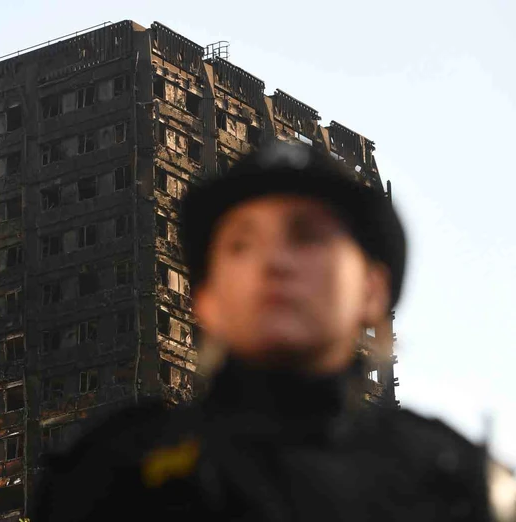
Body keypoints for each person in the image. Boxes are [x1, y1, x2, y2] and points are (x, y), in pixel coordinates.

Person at [30, 141, 515, 521]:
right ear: (206, 299)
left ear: (372, 289)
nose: (273, 262)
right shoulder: (117, 474)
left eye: (307, 236)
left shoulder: (454, 482)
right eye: (241, 244)